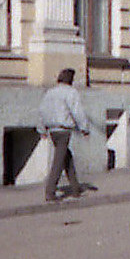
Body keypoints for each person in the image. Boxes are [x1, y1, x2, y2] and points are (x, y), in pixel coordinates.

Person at [38, 68, 90, 202]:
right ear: (71, 80)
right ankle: (50, 191)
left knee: (66, 157)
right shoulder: (71, 92)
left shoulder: (50, 92)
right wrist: (84, 128)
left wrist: (42, 129)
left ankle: (76, 188)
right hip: (64, 130)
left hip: (52, 130)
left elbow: (42, 110)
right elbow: (77, 111)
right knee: (59, 161)